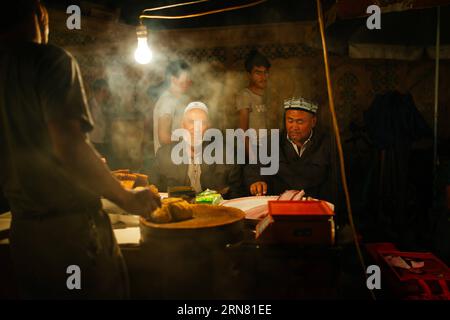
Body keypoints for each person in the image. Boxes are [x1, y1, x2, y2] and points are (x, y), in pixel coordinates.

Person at [0, 0, 161, 299]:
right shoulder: (49, 60)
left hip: (24, 236)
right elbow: (69, 145)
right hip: (70, 233)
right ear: (40, 17)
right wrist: (126, 198)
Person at [244, 97, 335, 203]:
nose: (294, 127)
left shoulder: (328, 144)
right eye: (290, 121)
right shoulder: (271, 142)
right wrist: (256, 181)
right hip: (280, 205)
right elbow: (253, 169)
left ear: (313, 122)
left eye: (300, 122)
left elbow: (335, 183)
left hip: (315, 206)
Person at [152, 102, 243, 199]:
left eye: (202, 123)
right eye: (191, 122)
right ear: (182, 125)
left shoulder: (226, 156)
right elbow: (155, 193)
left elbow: (237, 194)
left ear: (208, 127)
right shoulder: (164, 155)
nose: (196, 128)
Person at [153, 59, 192, 154]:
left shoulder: (177, 99)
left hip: (177, 156)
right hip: (169, 159)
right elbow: (164, 137)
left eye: (188, 81)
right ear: (173, 79)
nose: (187, 84)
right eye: (183, 82)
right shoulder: (167, 102)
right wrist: (190, 141)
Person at [235, 50, 271, 144]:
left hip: (266, 147)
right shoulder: (245, 95)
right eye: (258, 73)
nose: (263, 77)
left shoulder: (267, 94)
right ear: (249, 75)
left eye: (265, 72)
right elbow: (243, 132)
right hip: (254, 148)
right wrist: (252, 157)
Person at [89, 79, 110, 157]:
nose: (106, 93)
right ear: (97, 91)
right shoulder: (88, 105)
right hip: (92, 143)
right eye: (104, 91)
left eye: (106, 91)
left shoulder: (104, 106)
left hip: (101, 143)